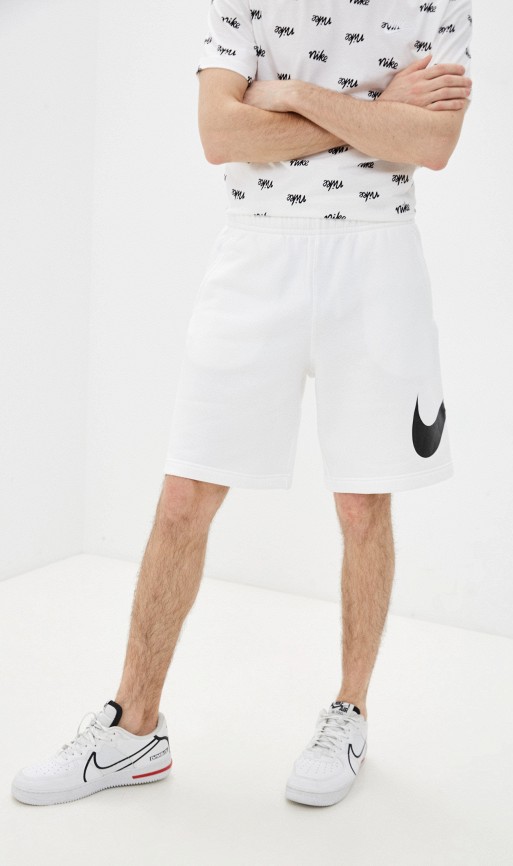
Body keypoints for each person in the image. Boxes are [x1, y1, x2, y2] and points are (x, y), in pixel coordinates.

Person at [12, 0, 473, 808]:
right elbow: (220, 134)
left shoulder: (440, 4)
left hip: (377, 261)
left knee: (364, 503)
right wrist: (377, 111)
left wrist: (285, 94)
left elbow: (431, 145)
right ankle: (133, 728)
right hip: (256, 253)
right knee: (183, 495)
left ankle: (350, 713)